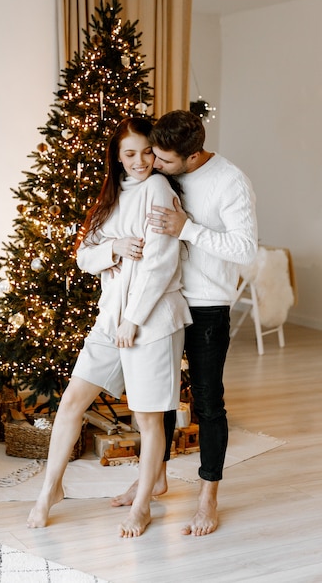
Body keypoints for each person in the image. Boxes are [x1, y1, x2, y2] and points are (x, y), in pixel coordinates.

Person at [27, 117, 191, 537]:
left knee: (147, 417)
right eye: (130, 154)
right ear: (117, 158)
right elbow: (84, 255)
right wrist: (112, 248)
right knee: (71, 403)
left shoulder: (158, 189)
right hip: (110, 318)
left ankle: (142, 506)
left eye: (147, 152)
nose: (141, 161)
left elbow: (160, 262)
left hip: (151, 320)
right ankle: (49, 491)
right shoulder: (113, 197)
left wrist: (134, 320)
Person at [111, 110, 258, 537]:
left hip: (208, 307)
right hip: (164, 302)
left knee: (209, 404)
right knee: (160, 399)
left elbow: (246, 250)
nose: (153, 164)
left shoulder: (230, 182)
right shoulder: (159, 174)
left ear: (192, 157)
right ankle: (154, 479)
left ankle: (207, 498)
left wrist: (188, 228)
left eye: (164, 160)